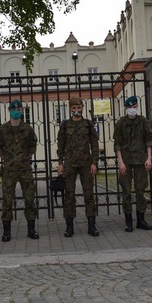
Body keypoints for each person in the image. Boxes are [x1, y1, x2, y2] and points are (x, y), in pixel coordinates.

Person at [0, 99, 38, 242]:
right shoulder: (3, 130)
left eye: (19, 109)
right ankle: (6, 232)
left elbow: (33, 144)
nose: (17, 111)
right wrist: (6, 157)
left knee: (30, 199)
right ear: (9, 111)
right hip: (10, 169)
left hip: (25, 168)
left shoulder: (28, 129)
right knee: (7, 200)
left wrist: (27, 155)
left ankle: (31, 229)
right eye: (14, 109)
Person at [57, 96, 100, 237]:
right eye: (74, 108)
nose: (76, 110)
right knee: (69, 195)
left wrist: (94, 162)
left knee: (89, 194)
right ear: (70, 109)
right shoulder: (65, 125)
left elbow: (94, 144)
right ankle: (69, 227)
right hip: (70, 164)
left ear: (82, 107)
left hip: (86, 164)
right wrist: (60, 163)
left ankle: (91, 226)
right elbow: (60, 145)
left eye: (79, 107)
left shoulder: (88, 124)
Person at [114, 95, 152, 232]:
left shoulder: (143, 121)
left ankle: (141, 220)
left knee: (140, 190)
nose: (132, 109)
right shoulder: (120, 123)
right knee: (126, 192)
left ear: (137, 106)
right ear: (126, 108)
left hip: (141, 161)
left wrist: (149, 158)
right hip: (126, 161)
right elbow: (117, 144)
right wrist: (120, 162)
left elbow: (148, 141)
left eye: (134, 107)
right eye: (130, 107)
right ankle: (128, 221)